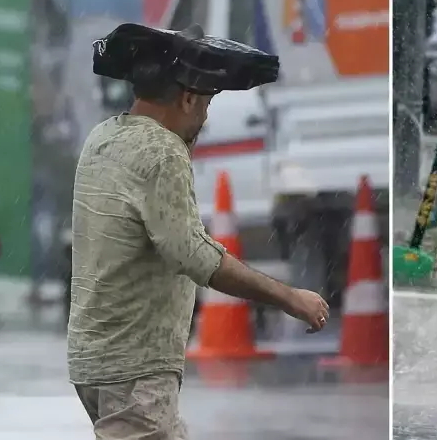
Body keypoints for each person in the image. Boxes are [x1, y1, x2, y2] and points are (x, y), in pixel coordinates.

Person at [68, 63, 329, 438]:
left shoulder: (103, 137)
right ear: (188, 98)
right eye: (205, 106)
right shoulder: (162, 152)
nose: (205, 121)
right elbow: (195, 255)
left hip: (92, 359)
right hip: (137, 366)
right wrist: (289, 298)